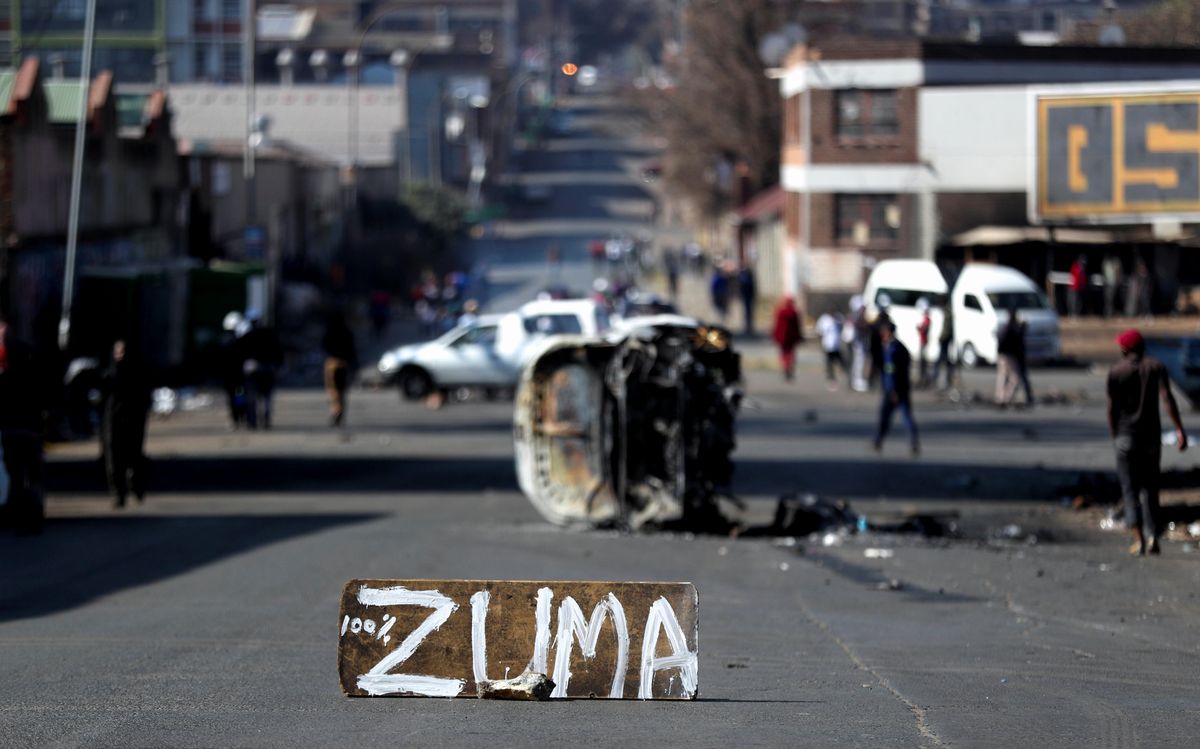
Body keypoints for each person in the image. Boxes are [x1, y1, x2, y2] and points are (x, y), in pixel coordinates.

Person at [1107, 329, 1187, 556]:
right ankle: (1153, 536)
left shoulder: (1116, 371)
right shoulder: (1155, 367)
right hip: (1150, 438)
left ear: (1125, 349)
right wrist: (1179, 429)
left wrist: (1115, 434)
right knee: (1150, 488)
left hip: (1125, 436)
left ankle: (1138, 537)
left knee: (1129, 488)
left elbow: (1111, 409)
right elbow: (1167, 399)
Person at [100, 340, 151, 509]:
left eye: (123, 353)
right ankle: (118, 493)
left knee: (134, 456)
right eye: (118, 353)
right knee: (114, 458)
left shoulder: (138, 373)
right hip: (114, 420)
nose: (120, 356)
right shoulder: (109, 373)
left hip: (134, 419)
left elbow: (145, 395)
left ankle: (137, 486)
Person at [872, 322, 919, 456]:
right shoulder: (901, 347)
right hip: (903, 386)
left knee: (885, 416)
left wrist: (893, 390)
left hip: (893, 390)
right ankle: (913, 442)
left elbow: (891, 371)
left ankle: (878, 441)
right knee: (907, 415)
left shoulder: (892, 350)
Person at [237, 310, 283, 430]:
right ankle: (266, 419)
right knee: (267, 396)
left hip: (253, 370)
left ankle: (252, 422)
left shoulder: (247, 336)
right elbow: (278, 351)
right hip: (268, 369)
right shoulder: (270, 334)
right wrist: (277, 365)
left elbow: (240, 353)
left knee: (251, 397)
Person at [322, 310, 358, 429]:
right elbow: (352, 350)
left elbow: (324, 345)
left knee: (333, 391)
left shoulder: (330, 331)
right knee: (342, 391)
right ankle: (340, 413)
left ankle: (336, 412)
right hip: (344, 364)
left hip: (332, 363)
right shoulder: (347, 332)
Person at [995, 307, 1033, 407]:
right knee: (1014, 378)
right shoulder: (1013, 329)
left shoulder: (1005, 327)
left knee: (1003, 377)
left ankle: (1000, 398)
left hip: (1003, 355)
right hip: (1010, 356)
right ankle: (1006, 398)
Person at [771, 297, 803, 381]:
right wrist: (798, 337)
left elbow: (777, 325)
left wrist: (775, 335)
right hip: (791, 337)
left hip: (782, 337)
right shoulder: (794, 313)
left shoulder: (780, 312)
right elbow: (797, 327)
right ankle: (789, 367)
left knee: (784, 353)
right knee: (791, 353)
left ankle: (785, 367)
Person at [868, 294, 893, 390]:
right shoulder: (877, 321)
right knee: (875, 365)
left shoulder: (887, 320)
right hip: (877, 348)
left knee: (887, 366)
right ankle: (872, 382)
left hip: (885, 348)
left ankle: (886, 382)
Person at [816, 310, 846, 388]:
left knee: (840, 360)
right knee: (829, 363)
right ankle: (831, 377)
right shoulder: (824, 320)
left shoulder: (838, 318)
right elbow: (819, 331)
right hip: (827, 345)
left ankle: (845, 372)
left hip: (836, 345)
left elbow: (843, 328)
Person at [846, 295, 870, 392]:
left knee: (859, 361)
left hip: (859, 342)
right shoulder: (856, 316)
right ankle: (856, 381)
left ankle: (856, 380)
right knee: (858, 361)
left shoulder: (856, 315)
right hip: (857, 343)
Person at [931, 302, 956, 391]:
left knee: (942, 360)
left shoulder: (947, 314)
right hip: (945, 340)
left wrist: (941, 338)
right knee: (944, 360)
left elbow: (946, 329)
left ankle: (937, 377)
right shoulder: (947, 313)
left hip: (945, 340)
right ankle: (941, 377)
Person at [915, 297, 932, 388]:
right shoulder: (925, 318)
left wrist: (919, 328)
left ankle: (923, 379)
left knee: (922, 362)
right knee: (921, 361)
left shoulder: (927, 319)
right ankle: (923, 378)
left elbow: (924, 329)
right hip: (923, 341)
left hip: (924, 342)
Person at [737, 265, 757, 336]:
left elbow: (751, 287)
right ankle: (747, 325)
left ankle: (749, 325)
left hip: (749, 297)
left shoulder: (747, 278)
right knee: (747, 311)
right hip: (746, 297)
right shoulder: (744, 277)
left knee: (749, 311)